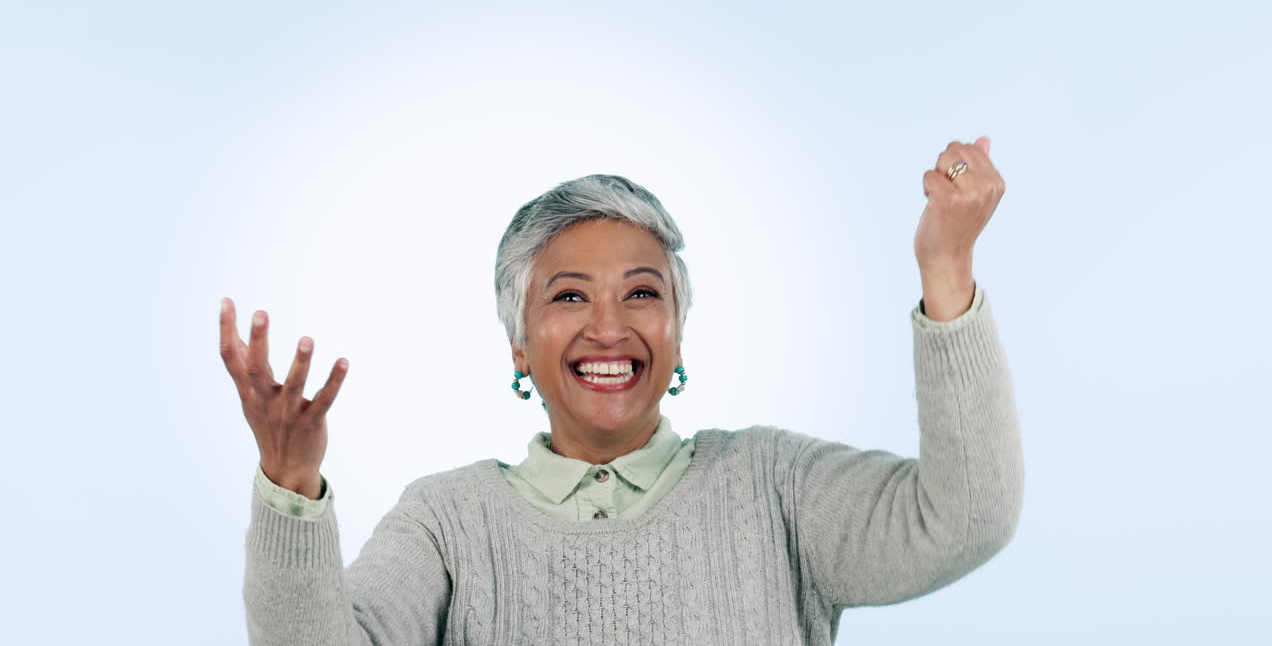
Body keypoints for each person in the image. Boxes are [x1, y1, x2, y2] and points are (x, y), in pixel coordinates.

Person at [221, 137, 1023, 645]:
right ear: (518, 344)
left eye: (642, 294)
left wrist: (946, 269)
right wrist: (290, 482)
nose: (609, 328)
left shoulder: (776, 488)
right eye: (569, 297)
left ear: (678, 329)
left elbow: (965, 518)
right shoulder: (448, 523)